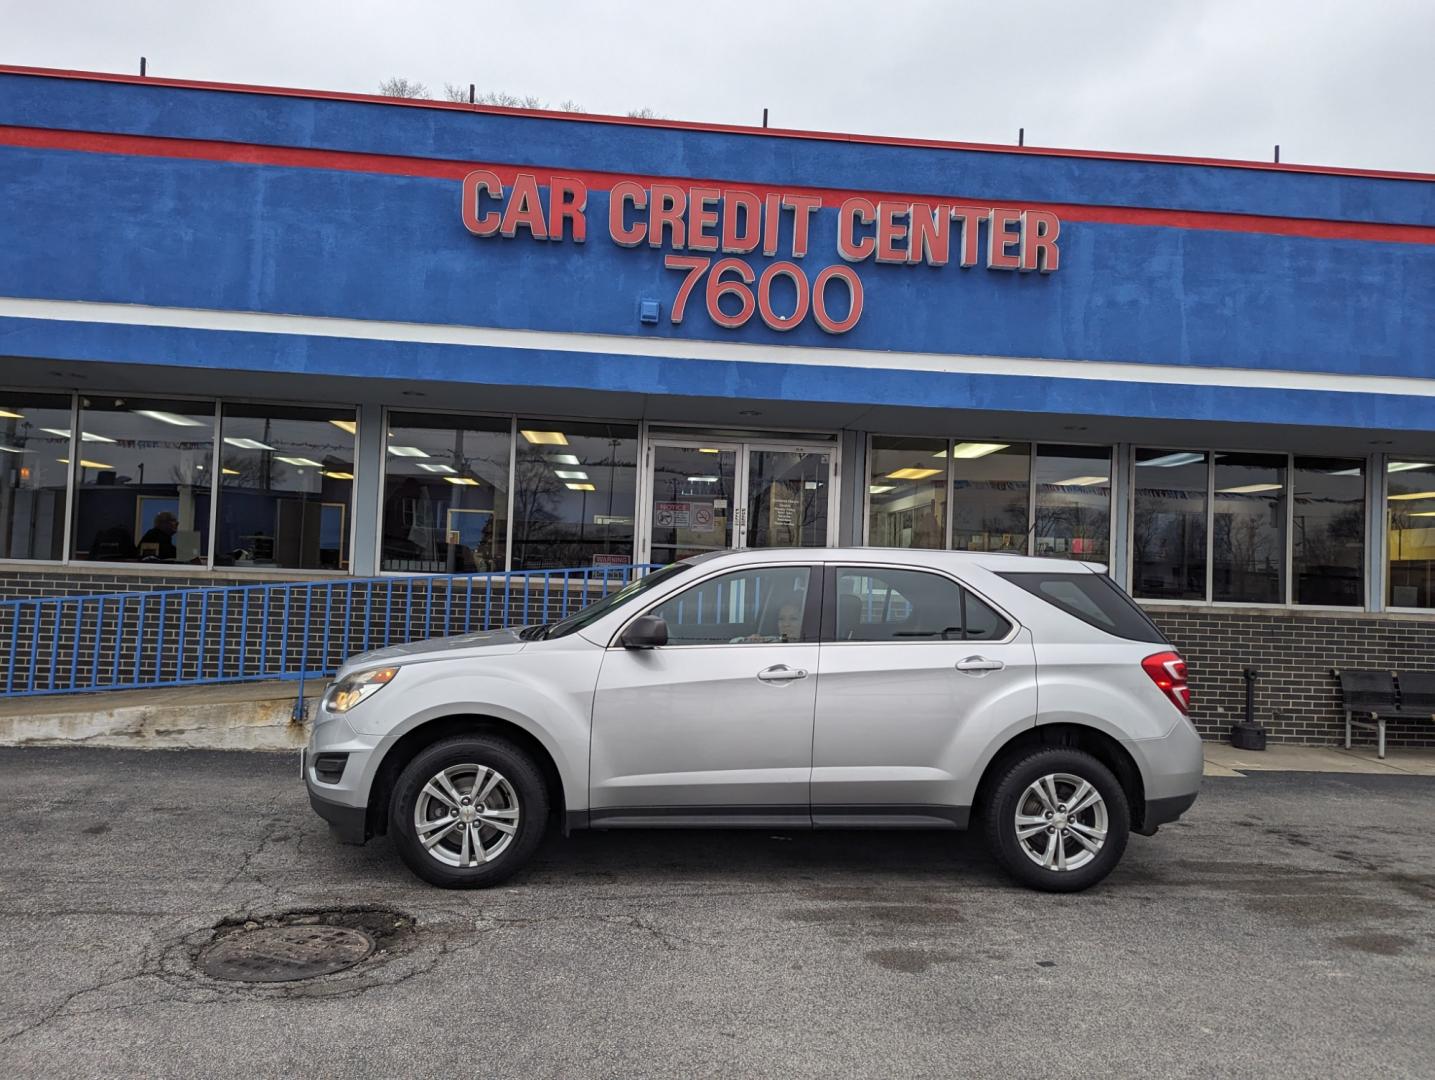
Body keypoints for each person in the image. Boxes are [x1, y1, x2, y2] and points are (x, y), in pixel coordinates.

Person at [731, 599, 804, 644]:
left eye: (793, 619)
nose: (786, 624)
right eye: (781, 619)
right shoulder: (775, 640)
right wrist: (748, 641)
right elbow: (733, 642)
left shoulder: (810, 646)